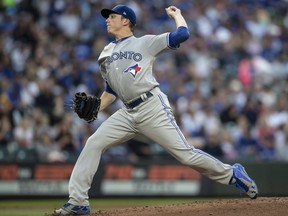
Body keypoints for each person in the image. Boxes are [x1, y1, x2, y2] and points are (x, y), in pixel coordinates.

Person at [53, 5, 258, 215]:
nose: (107, 20)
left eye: (112, 16)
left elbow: (182, 34)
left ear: (126, 21)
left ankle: (233, 174)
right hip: (127, 112)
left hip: (151, 106)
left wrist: (177, 15)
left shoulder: (145, 42)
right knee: (93, 143)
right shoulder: (105, 53)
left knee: (185, 155)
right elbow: (111, 90)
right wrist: (96, 107)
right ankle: (78, 201)